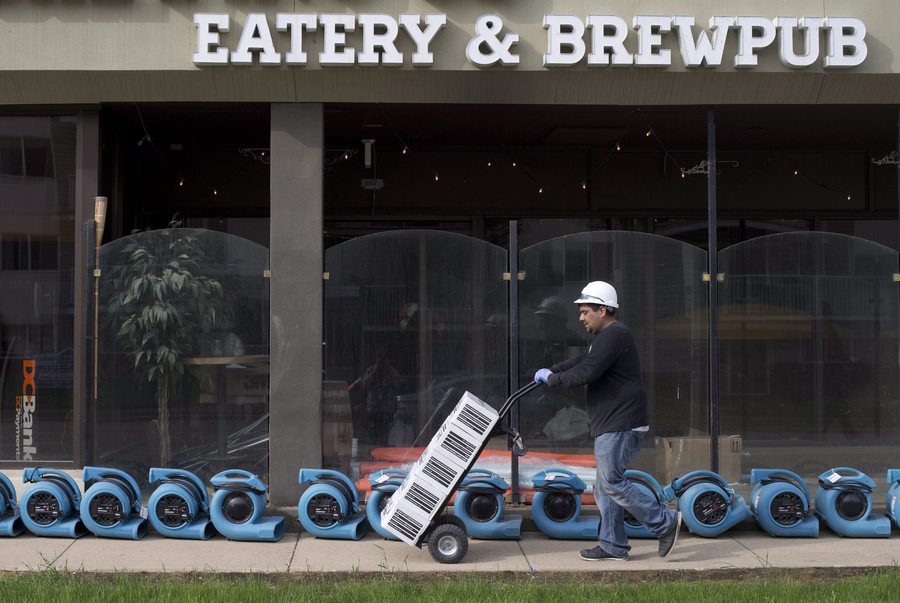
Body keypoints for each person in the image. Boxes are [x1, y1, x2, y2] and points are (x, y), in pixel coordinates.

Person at [534, 280, 682, 562]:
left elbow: (586, 373)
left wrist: (552, 380)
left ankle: (665, 523)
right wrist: (552, 369)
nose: (580, 317)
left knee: (612, 482)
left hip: (621, 424)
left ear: (602, 310)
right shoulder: (606, 338)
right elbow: (580, 362)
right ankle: (613, 545)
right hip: (614, 423)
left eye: (585, 311)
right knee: (604, 486)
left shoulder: (616, 335)